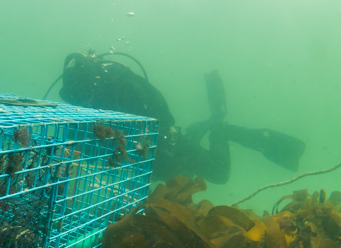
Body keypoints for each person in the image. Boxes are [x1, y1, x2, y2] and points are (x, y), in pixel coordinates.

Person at [55, 51, 306, 184]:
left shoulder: (121, 89)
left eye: (81, 98)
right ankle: (202, 127)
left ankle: (221, 129)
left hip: (167, 150)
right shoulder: (95, 99)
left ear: (89, 87)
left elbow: (162, 115)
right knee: (177, 159)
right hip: (154, 156)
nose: (81, 105)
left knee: (219, 175)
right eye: (75, 101)